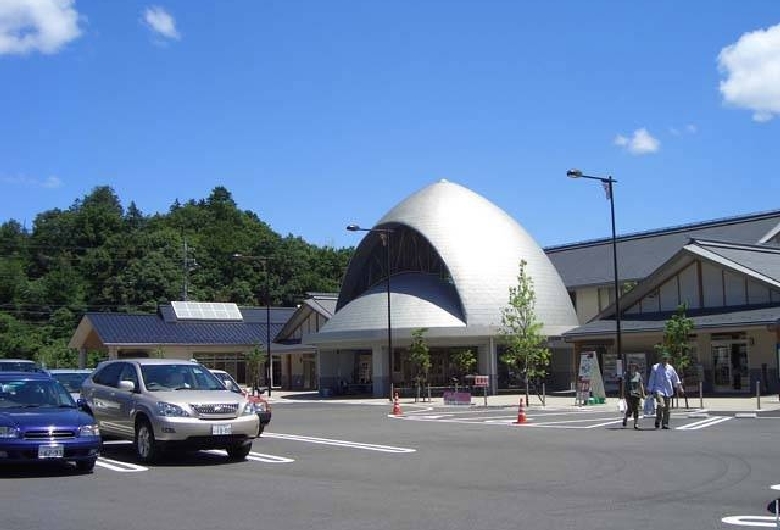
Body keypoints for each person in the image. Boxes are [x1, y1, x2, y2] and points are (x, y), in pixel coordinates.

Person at [646, 352, 684, 429]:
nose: (665, 360)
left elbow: (675, 378)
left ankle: (665, 423)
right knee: (661, 404)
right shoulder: (655, 367)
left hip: (668, 390)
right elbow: (652, 379)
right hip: (658, 390)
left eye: (666, 358)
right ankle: (658, 419)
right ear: (661, 359)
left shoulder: (670, 368)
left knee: (667, 408)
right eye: (663, 358)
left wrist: (680, 387)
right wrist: (649, 389)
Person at [621, 361, 645, 430]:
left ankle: (636, 423)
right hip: (628, 393)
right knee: (630, 408)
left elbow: (641, 385)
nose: (633, 368)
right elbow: (623, 384)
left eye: (634, 366)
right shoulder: (626, 374)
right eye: (631, 366)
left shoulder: (638, 375)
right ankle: (625, 418)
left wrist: (643, 394)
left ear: (636, 367)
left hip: (636, 393)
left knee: (636, 408)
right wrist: (622, 394)